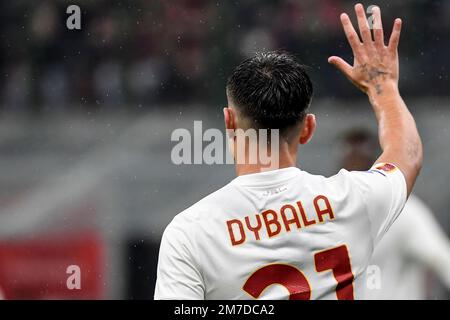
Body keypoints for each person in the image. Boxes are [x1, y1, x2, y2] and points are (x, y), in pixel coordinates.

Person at [154, 4, 423, 300]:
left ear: (229, 123)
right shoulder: (354, 199)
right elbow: (406, 153)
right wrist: (382, 85)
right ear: (308, 128)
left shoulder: (190, 233)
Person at [339, 128, 450, 300]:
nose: (354, 163)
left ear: (377, 162)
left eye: (360, 156)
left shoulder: (404, 210)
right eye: (350, 156)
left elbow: (442, 259)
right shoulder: (339, 210)